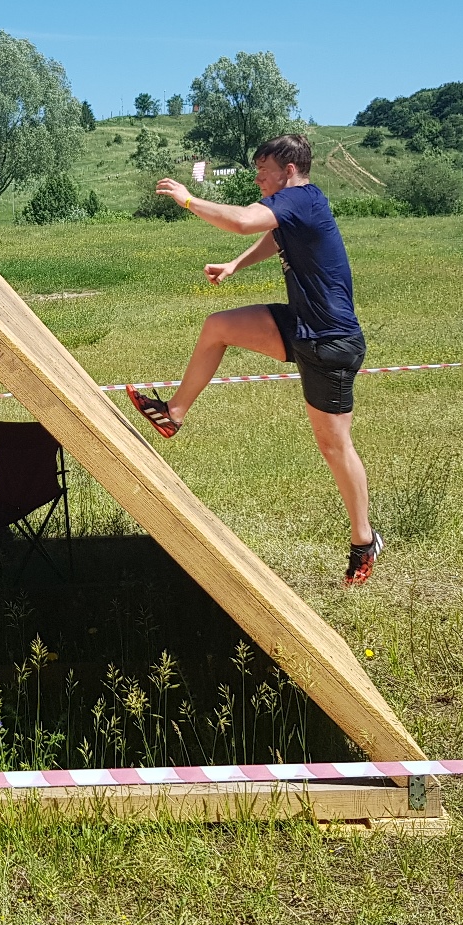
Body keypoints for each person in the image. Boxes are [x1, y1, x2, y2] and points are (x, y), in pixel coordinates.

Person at [124, 134, 385, 587]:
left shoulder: (300, 198)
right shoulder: (294, 208)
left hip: (331, 342)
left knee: (334, 446)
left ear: (289, 170)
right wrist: (234, 265)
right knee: (218, 327)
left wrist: (188, 200)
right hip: (301, 326)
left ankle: (364, 541)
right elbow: (272, 237)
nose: (258, 177)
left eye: (264, 170)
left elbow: (246, 222)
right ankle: (173, 414)